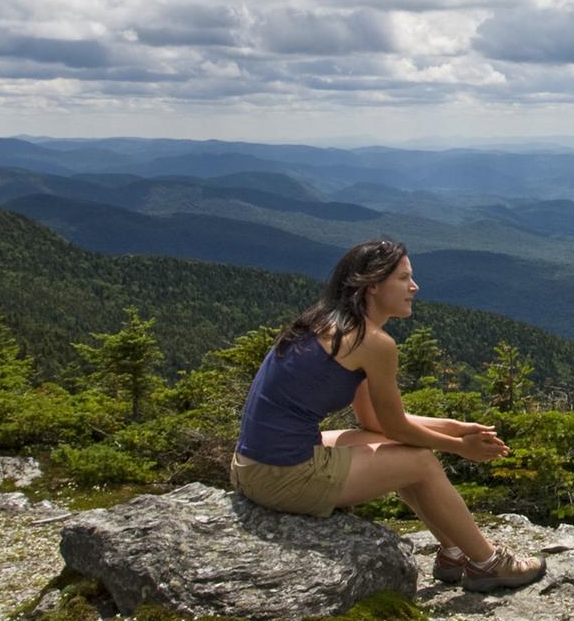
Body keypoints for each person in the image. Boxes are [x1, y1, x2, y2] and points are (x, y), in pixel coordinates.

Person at [230, 238, 546, 592]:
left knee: (378, 444)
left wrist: (456, 429)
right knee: (421, 462)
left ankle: (455, 551)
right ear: (373, 284)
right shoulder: (372, 342)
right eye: (403, 278)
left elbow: (375, 424)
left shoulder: (326, 324)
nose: (415, 287)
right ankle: (488, 564)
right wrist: (459, 447)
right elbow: (396, 426)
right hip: (281, 477)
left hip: (251, 466)